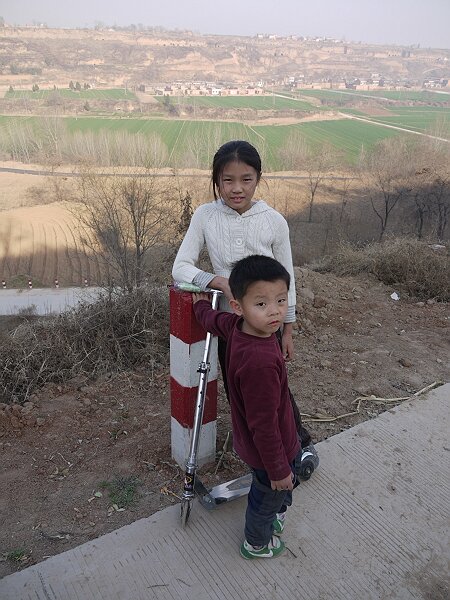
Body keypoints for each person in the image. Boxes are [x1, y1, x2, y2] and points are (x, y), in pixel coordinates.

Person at [172, 139, 316, 457]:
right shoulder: (206, 217)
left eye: (246, 179)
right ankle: (255, 451)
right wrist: (217, 281)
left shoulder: (274, 221)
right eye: (228, 180)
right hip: (230, 325)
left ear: (258, 179)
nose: (237, 188)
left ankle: (299, 445)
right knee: (238, 389)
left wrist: (288, 328)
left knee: (275, 390)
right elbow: (180, 268)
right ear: (217, 181)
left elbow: (286, 278)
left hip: (269, 324)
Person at [193, 255, 301, 559]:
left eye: (280, 300)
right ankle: (257, 542)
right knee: (267, 494)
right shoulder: (261, 363)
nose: (275, 311)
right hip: (270, 452)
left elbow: (213, 320)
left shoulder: (238, 326)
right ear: (239, 306)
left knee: (277, 491)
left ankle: (276, 510)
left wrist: (200, 306)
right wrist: (278, 468)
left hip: (267, 446)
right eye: (262, 304)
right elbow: (264, 425)